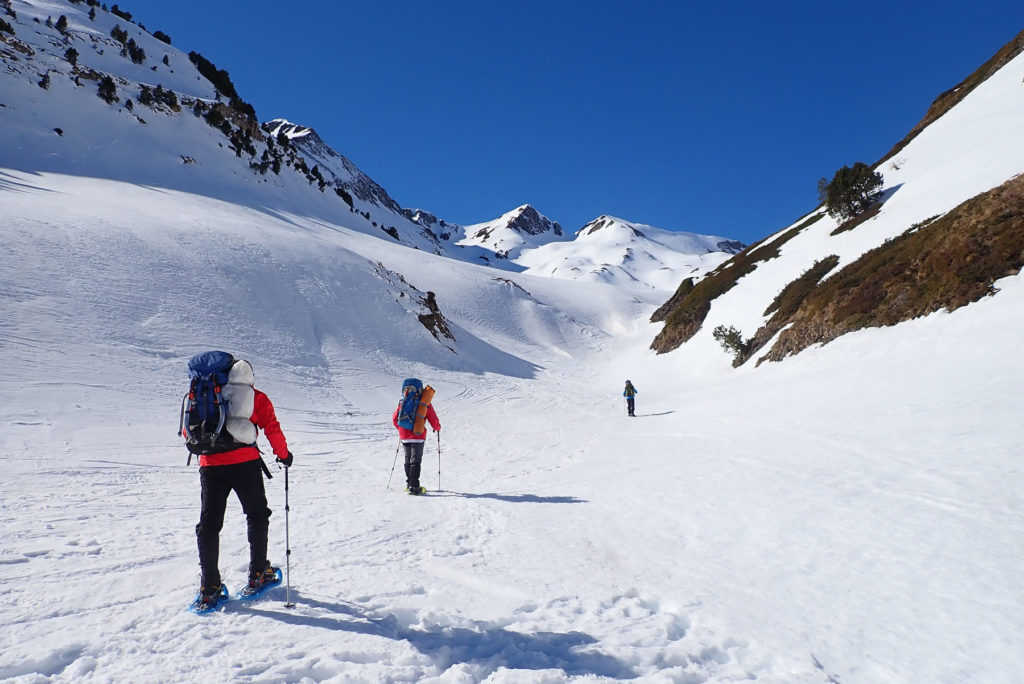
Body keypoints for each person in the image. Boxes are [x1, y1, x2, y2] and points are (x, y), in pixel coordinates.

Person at [193, 358, 293, 607]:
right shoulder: (254, 396)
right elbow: (271, 427)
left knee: (209, 524)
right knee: (257, 515)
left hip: (210, 466)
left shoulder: (201, 395)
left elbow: (190, 431)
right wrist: (284, 455)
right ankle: (258, 573)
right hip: (245, 463)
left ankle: (209, 587)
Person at [392, 380, 440, 495]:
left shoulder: (403, 401)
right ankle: (414, 486)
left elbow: (395, 419)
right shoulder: (424, 401)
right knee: (415, 460)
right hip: (418, 435)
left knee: (408, 459)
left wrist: (401, 430)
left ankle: (409, 484)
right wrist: (437, 427)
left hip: (404, 435)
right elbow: (432, 418)